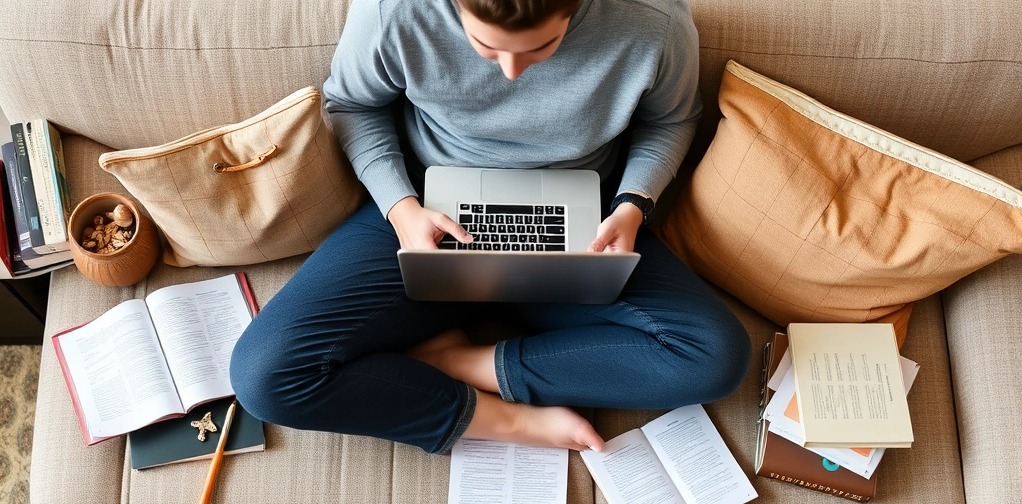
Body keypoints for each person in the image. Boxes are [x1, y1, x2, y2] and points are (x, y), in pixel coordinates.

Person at [230, 0, 751, 455]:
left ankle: (461, 361)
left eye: (540, 47)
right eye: (486, 46)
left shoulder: (652, 19)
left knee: (716, 358)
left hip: (579, 221)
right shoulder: (395, 10)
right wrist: (401, 208)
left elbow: (671, 120)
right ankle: (506, 419)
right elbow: (351, 105)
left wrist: (634, 203)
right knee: (264, 379)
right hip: (426, 207)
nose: (512, 74)